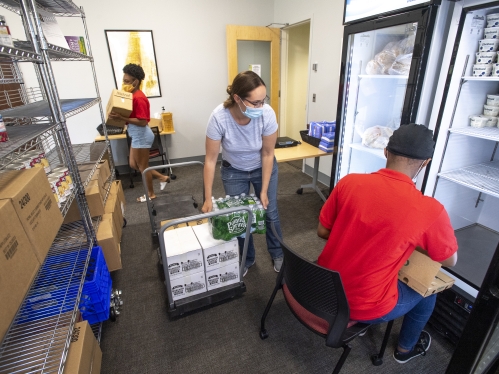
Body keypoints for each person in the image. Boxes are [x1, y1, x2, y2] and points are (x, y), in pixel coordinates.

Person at [317, 124, 458, 364]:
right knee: (429, 290)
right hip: (364, 305)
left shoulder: (349, 182)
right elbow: (449, 260)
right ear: (425, 163)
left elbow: (323, 231)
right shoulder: (429, 209)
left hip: (322, 286)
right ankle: (405, 349)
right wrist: (409, 240)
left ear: (385, 152)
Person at [201, 71, 284, 276]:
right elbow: (211, 160)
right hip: (234, 170)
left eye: (263, 100)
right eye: (255, 102)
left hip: (262, 167)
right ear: (237, 98)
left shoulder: (267, 114)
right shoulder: (218, 117)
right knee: (238, 216)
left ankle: (278, 253)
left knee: (269, 212)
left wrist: (263, 190)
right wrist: (207, 198)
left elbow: (267, 153)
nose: (260, 107)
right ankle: (246, 257)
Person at [109, 63, 169, 202]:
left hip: (141, 134)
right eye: (123, 80)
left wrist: (122, 118)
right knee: (133, 164)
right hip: (136, 134)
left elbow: (143, 121)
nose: (124, 83)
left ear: (136, 81)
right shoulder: (131, 95)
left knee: (142, 167)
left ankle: (151, 194)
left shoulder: (139, 98)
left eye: (127, 81)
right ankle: (162, 177)